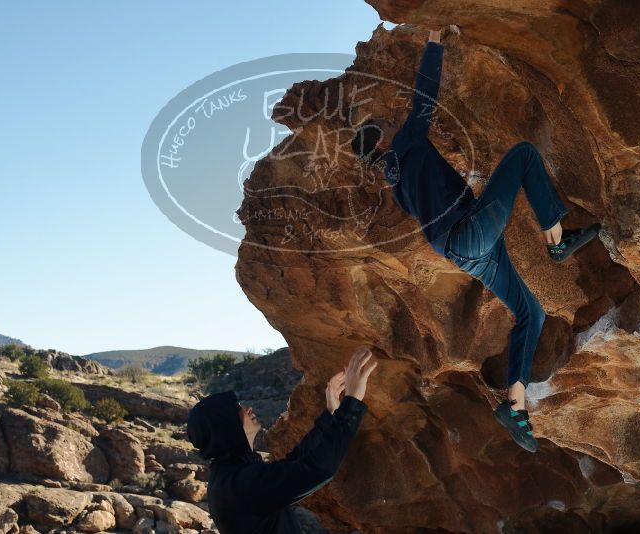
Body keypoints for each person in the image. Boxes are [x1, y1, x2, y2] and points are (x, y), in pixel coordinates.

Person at [351, 29, 600, 453]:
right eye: (387, 124)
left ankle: (515, 406)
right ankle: (556, 239)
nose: (394, 122)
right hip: (468, 232)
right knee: (522, 154)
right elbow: (424, 95)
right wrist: (434, 41)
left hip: (464, 250)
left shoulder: (396, 182)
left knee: (531, 313)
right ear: (382, 140)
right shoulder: (405, 144)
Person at [186, 347, 378, 533]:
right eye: (237, 409)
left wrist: (331, 413)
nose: (248, 408)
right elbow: (317, 469)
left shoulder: (233, 474)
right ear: (225, 427)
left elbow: (294, 462)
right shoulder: (241, 484)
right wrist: (352, 401)